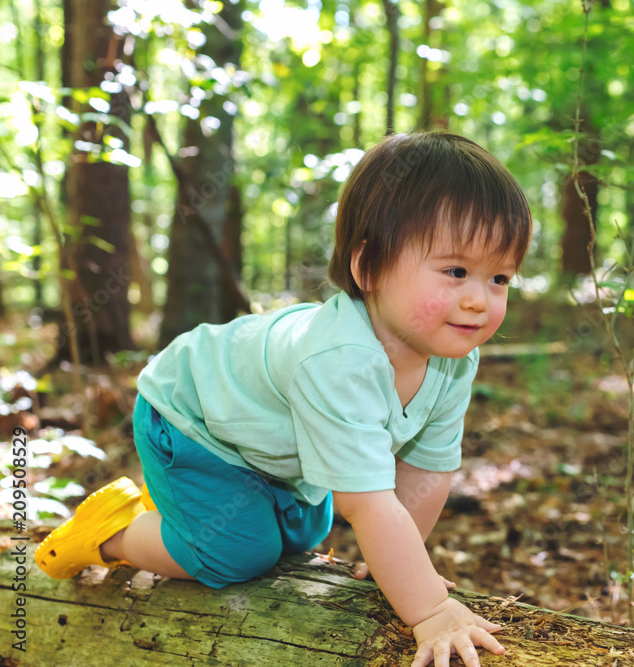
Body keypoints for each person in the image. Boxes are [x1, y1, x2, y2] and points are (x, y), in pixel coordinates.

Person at [36, 131, 532, 667]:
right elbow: (366, 502)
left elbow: (426, 471)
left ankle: (189, 508)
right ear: (368, 268)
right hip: (190, 418)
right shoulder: (339, 358)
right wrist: (431, 610)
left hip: (269, 444)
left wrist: (399, 562)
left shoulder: (455, 358)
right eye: (456, 271)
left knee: (304, 535)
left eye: (499, 277)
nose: (478, 300)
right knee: (237, 554)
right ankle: (113, 531)